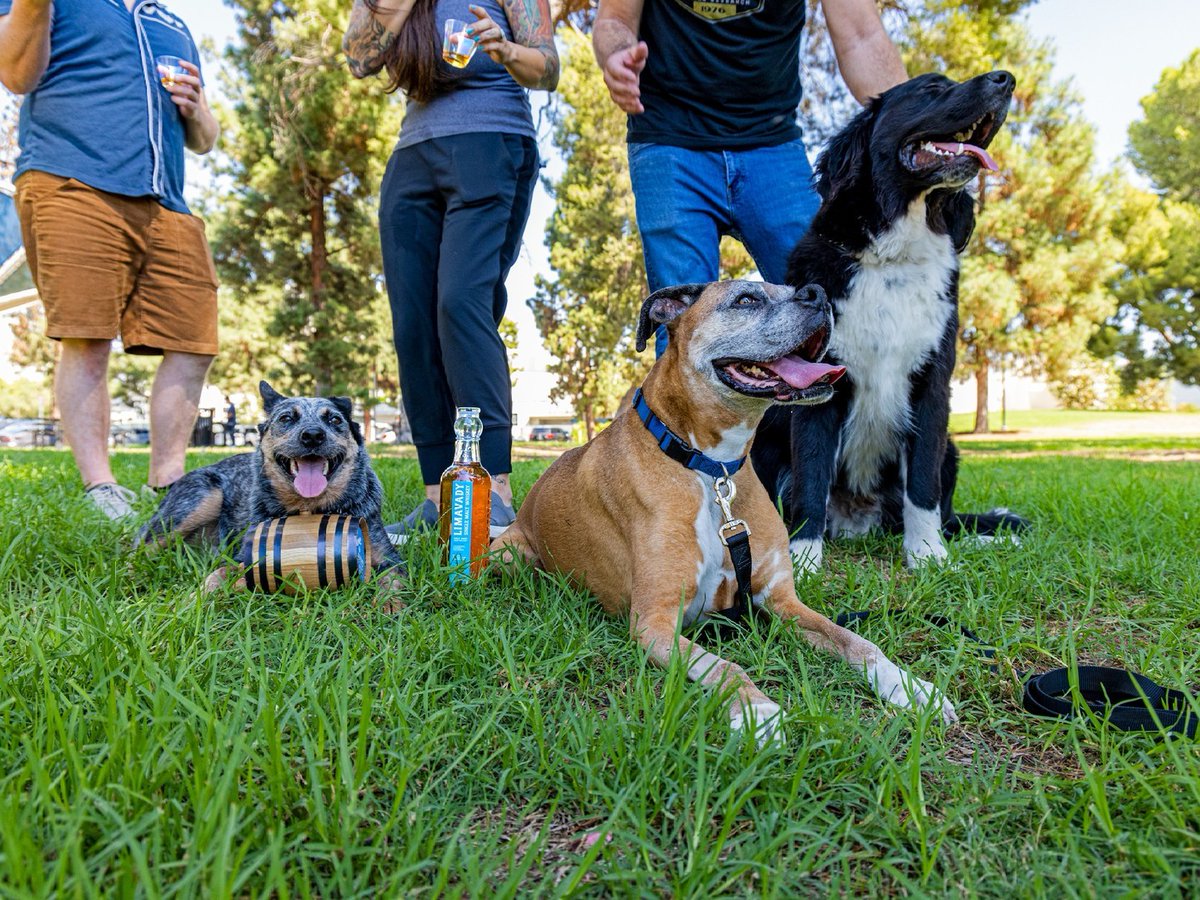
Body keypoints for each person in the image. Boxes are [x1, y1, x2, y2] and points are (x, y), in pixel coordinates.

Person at [0, 0, 220, 519]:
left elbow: (205, 140)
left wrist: (197, 109)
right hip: (72, 179)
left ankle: (167, 483)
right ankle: (101, 487)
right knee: (87, 336)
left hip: (166, 200)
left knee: (193, 342)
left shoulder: (171, 23)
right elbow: (15, 73)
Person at [343, 0, 558, 533]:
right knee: (413, 324)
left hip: (491, 141)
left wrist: (506, 49)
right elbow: (359, 59)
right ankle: (438, 497)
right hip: (413, 154)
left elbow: (548, 68)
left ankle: (494, 490)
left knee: (460, 304)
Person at [593, 0, 907, 354]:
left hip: (772, 145)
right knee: (685, 334)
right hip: (669, 140)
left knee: (829, 313)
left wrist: (910, 126)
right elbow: (614, 19)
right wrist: (616, 55)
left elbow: (861, 36)